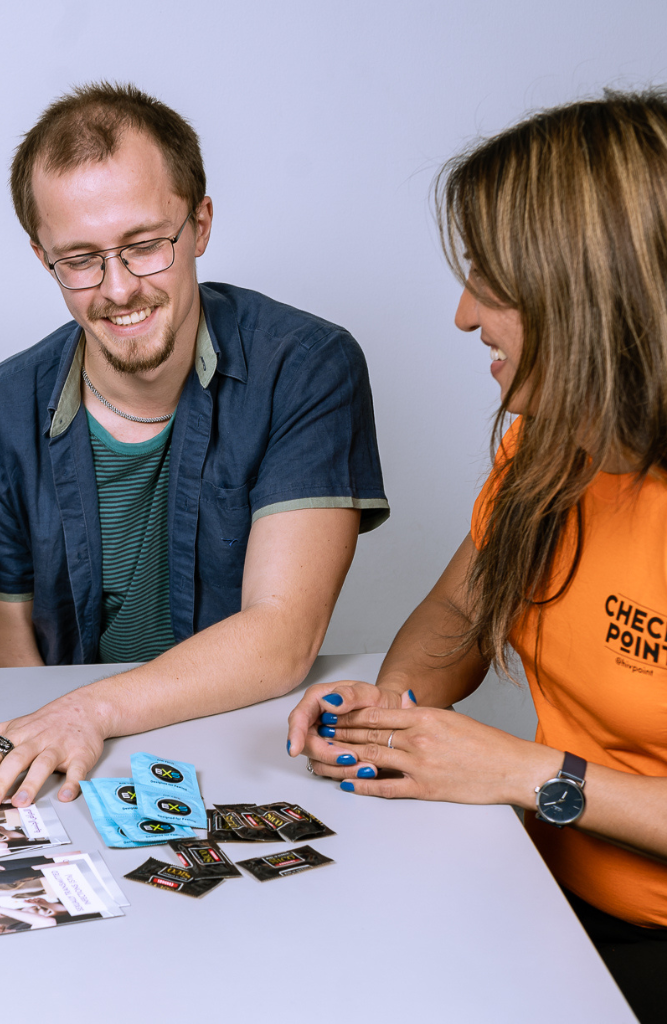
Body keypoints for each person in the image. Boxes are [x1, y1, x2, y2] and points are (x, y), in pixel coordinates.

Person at [286, 90, 667, 1022]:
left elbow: (526, 776)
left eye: (492, 285)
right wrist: (397, 712)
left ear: (593, 296)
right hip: (537, 887)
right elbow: (459, 613)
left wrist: (529, 775)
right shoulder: (549, 444)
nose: (462, 317)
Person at [0, 82, 388, 805]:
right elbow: (7, 639)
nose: (118, 289)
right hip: (70, 759)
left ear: (201, 223)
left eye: (146, 246)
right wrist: (53, 763)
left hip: (239, 743)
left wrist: (90, 712)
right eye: (80, 259)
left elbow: (282, 636)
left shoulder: (306, 366)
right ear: (41, 256)